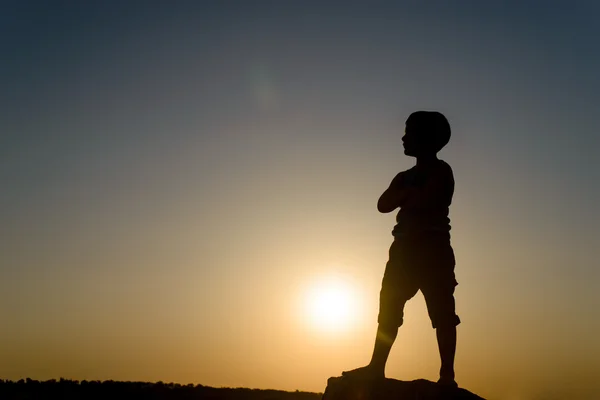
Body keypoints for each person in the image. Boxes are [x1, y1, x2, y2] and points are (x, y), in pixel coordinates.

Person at [343, 111, 460, 388]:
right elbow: (383, 204)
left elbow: (425, 199)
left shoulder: (441, 171)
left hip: (433, 252)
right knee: (389, 308)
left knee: (442, 312)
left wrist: (406, 197)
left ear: (428, 138)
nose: (404, 137)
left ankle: (447, 375)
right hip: (402, 252)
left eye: (410, 132)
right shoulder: (403, 176)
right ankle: (376, 367)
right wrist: (408, 196)